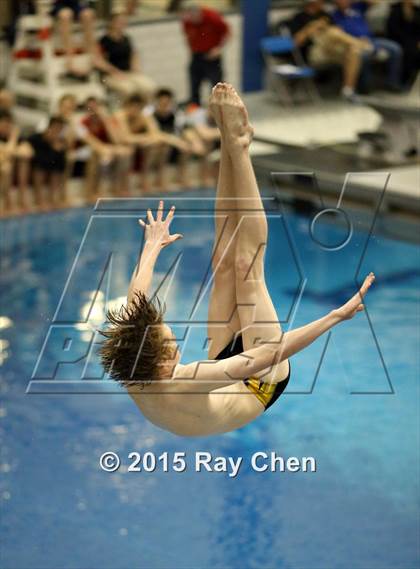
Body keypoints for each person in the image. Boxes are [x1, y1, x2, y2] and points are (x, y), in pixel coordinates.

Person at [99, 83, 376, 437]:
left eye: (169, 337)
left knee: (223, 260)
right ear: (164, 368)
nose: (178, 344)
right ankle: (242, 146)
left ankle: (226, 138)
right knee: (247, 266)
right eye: (172, 346)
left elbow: (137, 296)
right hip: (260, 382)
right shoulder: (180, 380)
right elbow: (267, 356)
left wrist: (153, 244)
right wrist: (337, 315)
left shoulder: (130, 359)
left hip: (221, 370)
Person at [289, 0, 371, 100]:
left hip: (330, 48)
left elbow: (339, 33)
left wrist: (326, 28)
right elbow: (295, 43)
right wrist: (310, 28)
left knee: (353, 51)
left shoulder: (326, 15)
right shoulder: (299, 17)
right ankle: (359, 43)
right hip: (314, 52)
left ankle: (347, 91)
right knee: (332, 32)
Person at [114, 93, 190, 192]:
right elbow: (125, 138)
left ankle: (153, 179)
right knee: (127, 151)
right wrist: (146, 138)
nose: (135, 110)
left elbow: (156, 134)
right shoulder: (120, 116)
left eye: (138, 108)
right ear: (127, 106)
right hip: (118, 145)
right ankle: (122, 186)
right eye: (133, 107)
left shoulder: (143, 116)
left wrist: (176, 142)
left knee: (161, 145)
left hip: (136, 145)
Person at [332, 0, 403, 91]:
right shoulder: (334, 15)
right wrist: (357, 41)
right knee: (364, 56)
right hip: (355, 44)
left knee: (395, 48)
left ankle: (392, 83)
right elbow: (337, 33)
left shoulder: (357, 7)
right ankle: (364, 86)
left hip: (371, 40)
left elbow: (376, 2)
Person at [94, 12, 156, 101]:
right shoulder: (103, 41)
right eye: (119, 22)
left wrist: (136, 69)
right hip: (111, 75)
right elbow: (99, 62)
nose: (122, 24)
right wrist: (115, 72)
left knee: (149, 87)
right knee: (129, 89)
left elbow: (134, 54)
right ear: (112, 23)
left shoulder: (127, 39)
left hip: (128, 72)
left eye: (124, 22)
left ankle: (143, 111)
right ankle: (127, 112)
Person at [177, 1, 230, 105]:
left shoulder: (212, 17)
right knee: (194, 83)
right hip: (197, 55)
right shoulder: (186, 21)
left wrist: (219, 48)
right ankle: (195, 105)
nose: (191, 20)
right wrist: (191, 50)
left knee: (216, 85)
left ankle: (219, 105)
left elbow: (227, 32)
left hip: (212, 55)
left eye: (193, 17)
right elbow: (188, 36)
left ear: (198, 13)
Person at [80, 97, 132, 201]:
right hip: (88, 148)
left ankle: (118, 186)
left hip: (104, 147)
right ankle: (91, 191)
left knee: (125, 152)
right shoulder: (83, 122)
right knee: (98, 154)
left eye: (95, 107)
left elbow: (116, 140)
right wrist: (105, 148)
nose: (93, 110)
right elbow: (88, 140)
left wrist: (106, 121)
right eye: (90, 108)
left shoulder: (106, 120)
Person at [28, 116, 68, 210]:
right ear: (49, 126)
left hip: (51, 165)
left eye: (59, 128)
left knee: (58, 168)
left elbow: (61, 163)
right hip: (37, 165)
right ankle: (39, 199)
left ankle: (53, 197)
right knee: (40, 168)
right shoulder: (36, 138)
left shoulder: (61, 141)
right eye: (55, 127)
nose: (57, 130)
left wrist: (57, 147)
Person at [50, 0, 96, 77]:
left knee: (88, 14)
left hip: (74, 4)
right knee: (65, 14)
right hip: (58, 4)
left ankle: (91, 55)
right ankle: (69, 58)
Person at [0, 110, 33, 214]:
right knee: (6, 166)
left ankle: (21, 197)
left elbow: (29, 153)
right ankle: (7, 201)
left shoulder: (15, 137)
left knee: (22, 162)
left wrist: (10, 150)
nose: (7, 126)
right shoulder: (14, 136)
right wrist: (14, 137)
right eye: (4, 123)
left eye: (9, 123)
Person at [387, 0, 420, 86]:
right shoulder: (395, 8)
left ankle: (413, 81)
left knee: (414, 49)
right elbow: (392, 28)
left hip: (414, 40)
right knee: (410, 51)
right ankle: (403, 81)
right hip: (398, 39)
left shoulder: (417, 10)